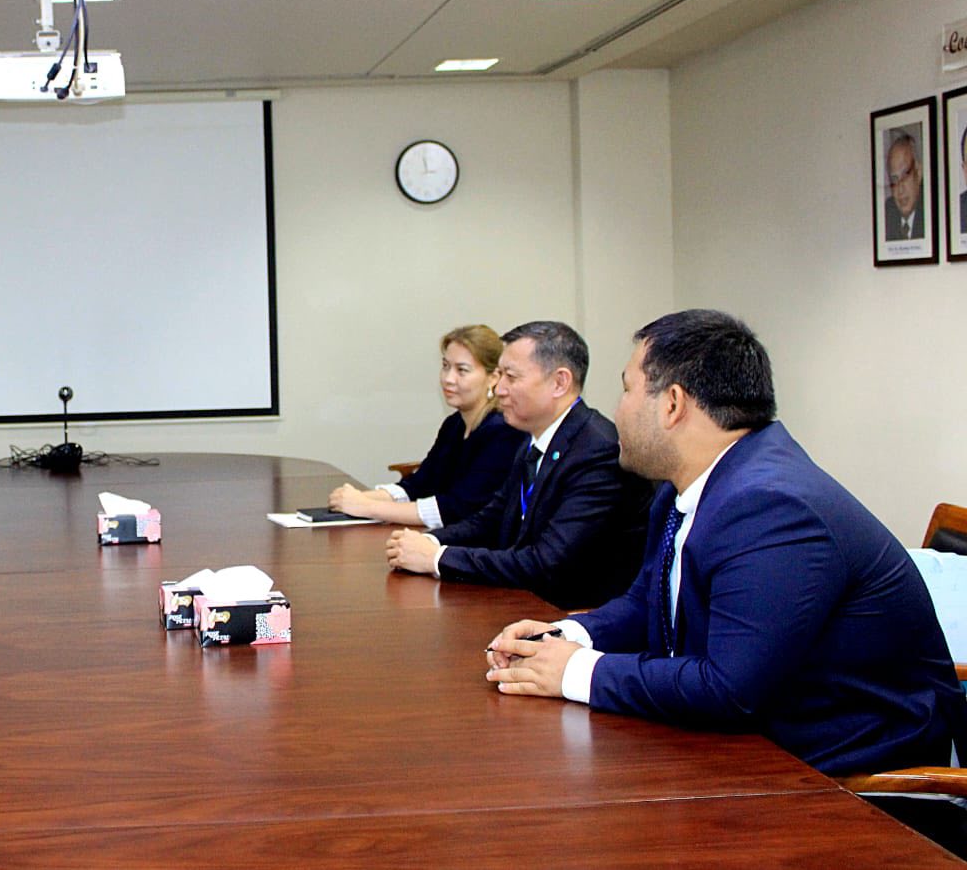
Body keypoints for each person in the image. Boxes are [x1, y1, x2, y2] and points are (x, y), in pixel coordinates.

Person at [484, 309, 966, 779]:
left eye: (627, 389)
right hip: (754, 745)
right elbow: (647, 603)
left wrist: (578, 672)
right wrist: (564, 637)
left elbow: (730, 689)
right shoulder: (688, 485)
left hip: (851, 773)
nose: (616, 410)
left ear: (672, 404)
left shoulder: (773, 505)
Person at [383, 321, 650, 610]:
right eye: (499, 375)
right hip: (524, 600)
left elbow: (545, 562)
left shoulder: (597, 451)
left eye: (510, 377)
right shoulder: (533, 439)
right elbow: (491, 519)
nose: (498, 389)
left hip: (569, 614)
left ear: (559, 382)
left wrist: (437, 558)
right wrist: (429, 541)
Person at [328, 325, 525, 528]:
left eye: (462, 370)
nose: (448, 379)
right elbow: (419, 485)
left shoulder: (504, 432)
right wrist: (360, 497)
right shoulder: (454, 425)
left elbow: (456, 509)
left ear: (493, 378)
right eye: (446, 366)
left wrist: (367, 507)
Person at [884, 132, 926, 242]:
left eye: (905, 175)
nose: (900, 189)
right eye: (894, 179)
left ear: (919, 173)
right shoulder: (887, 213)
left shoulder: (930, 210)